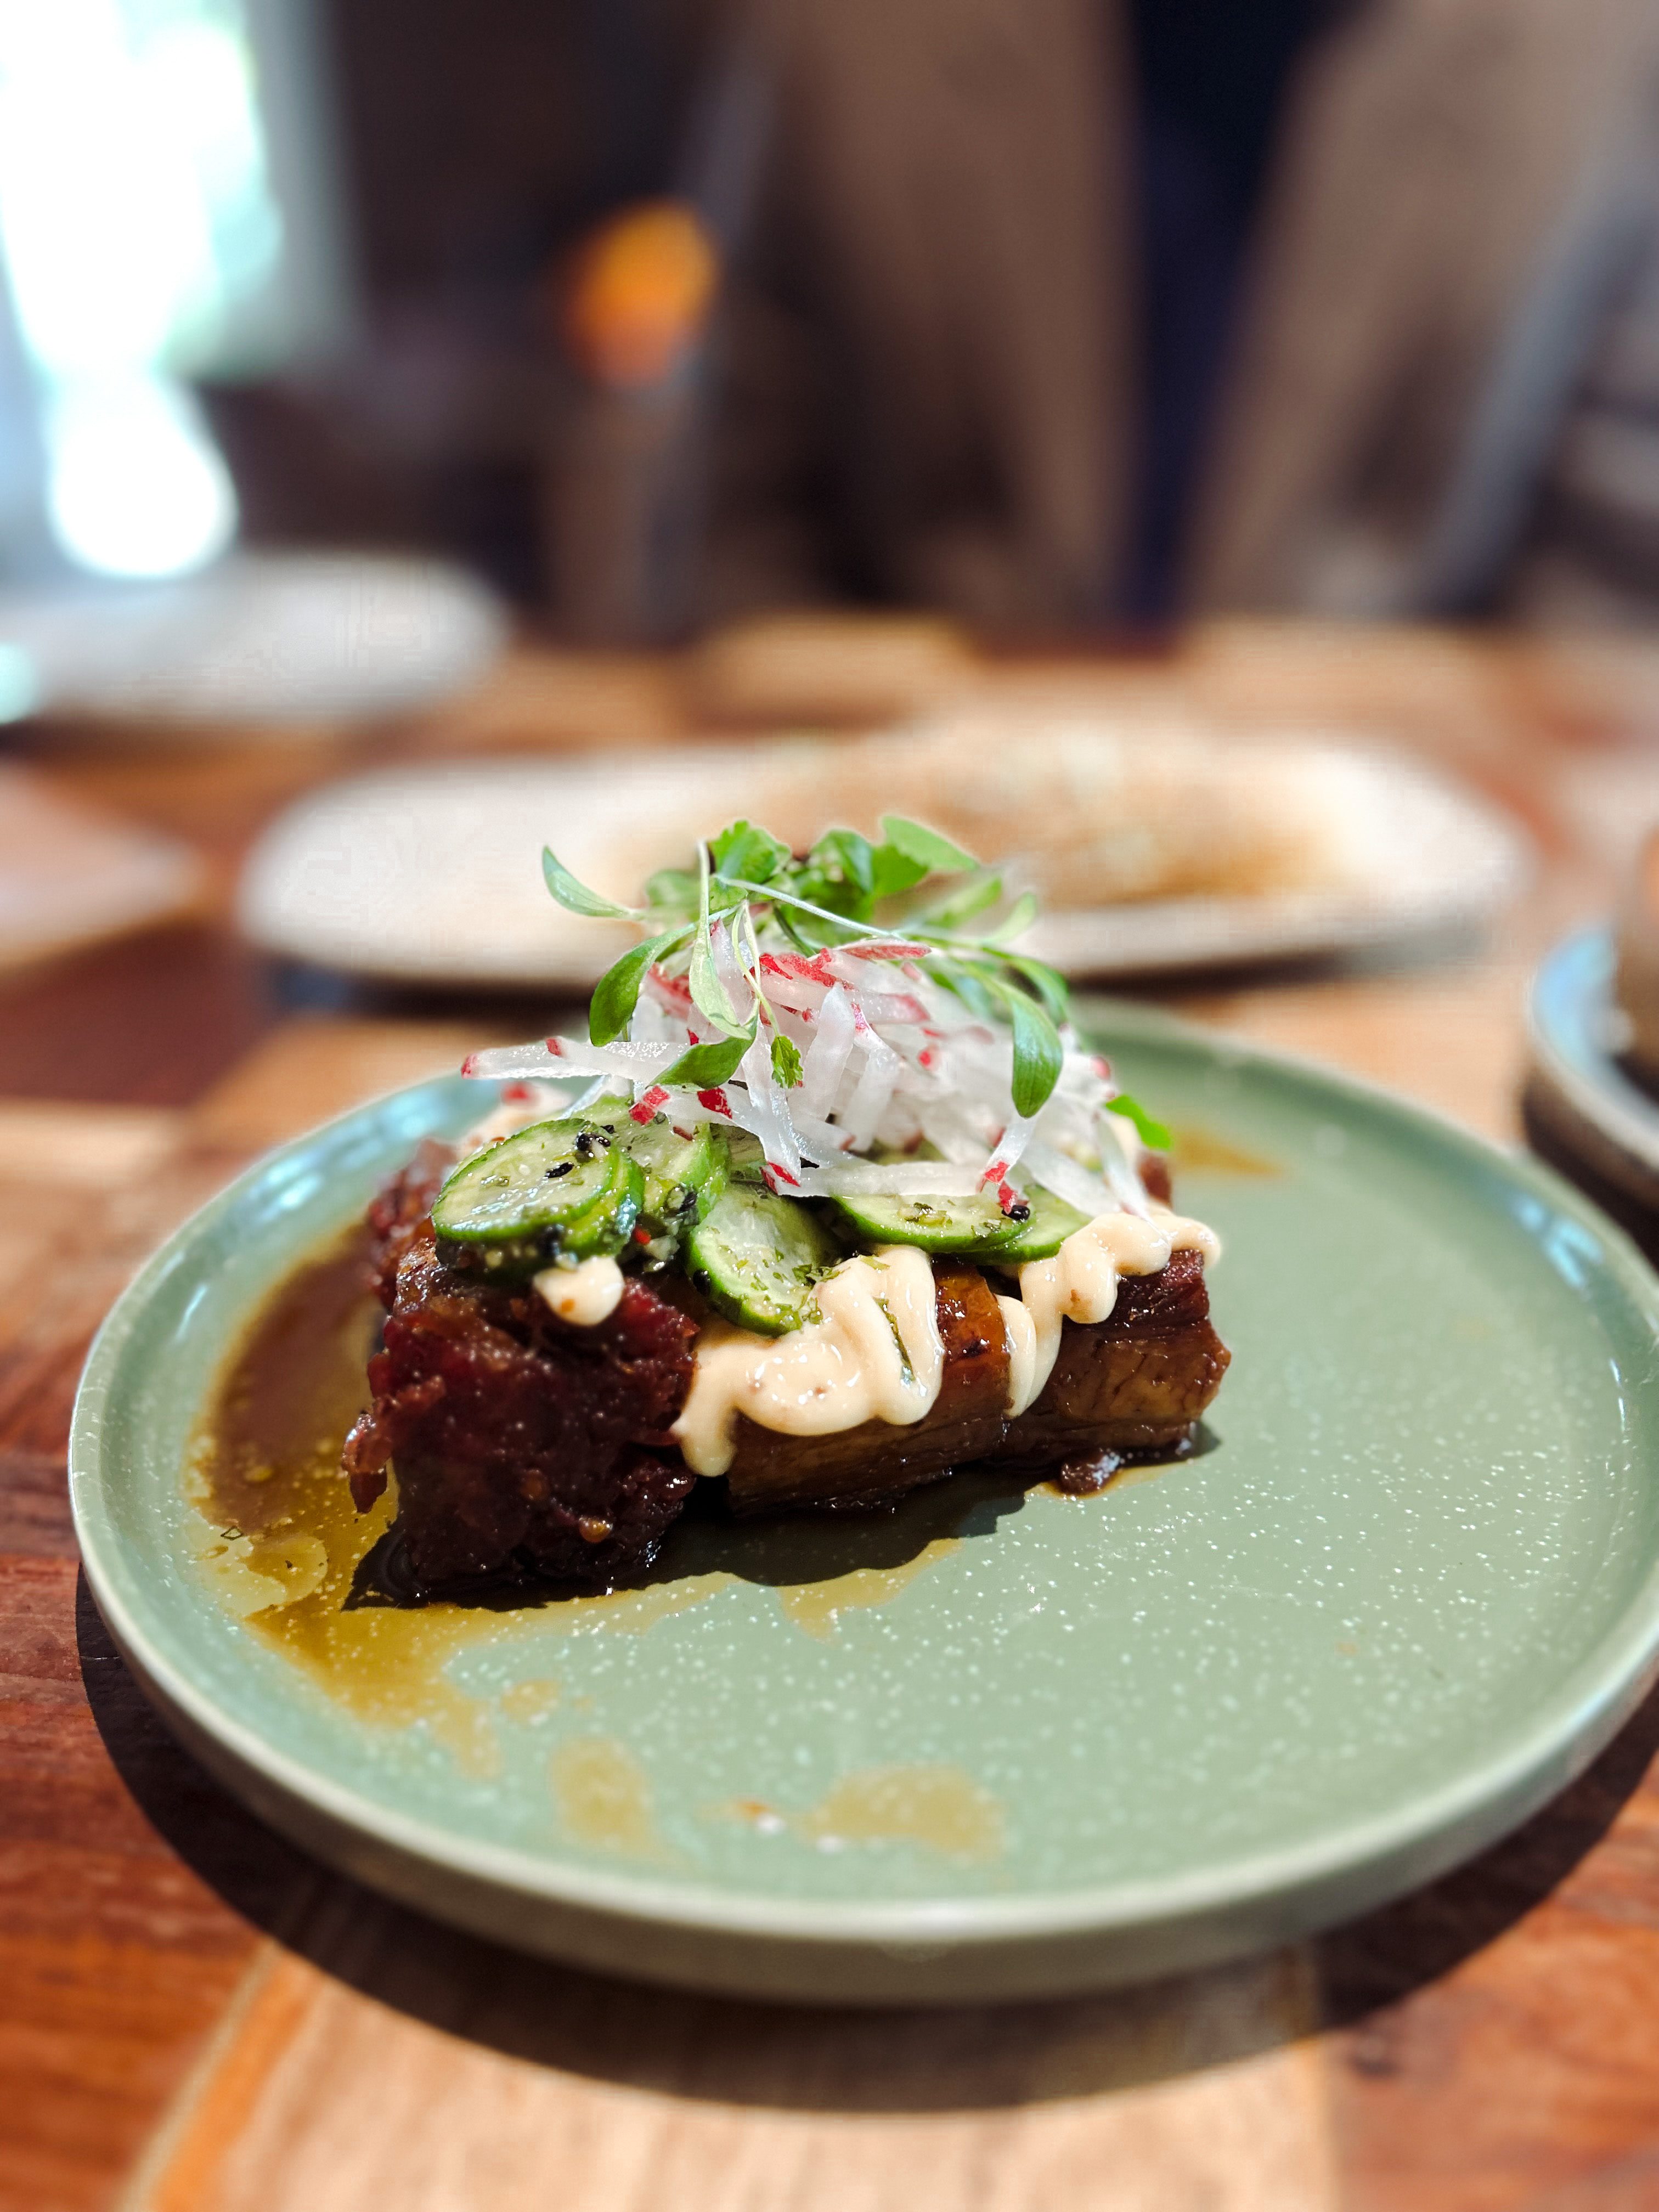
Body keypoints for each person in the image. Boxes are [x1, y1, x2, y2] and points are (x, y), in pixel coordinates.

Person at [635, 0, 1659, 631]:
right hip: (921, 864)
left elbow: (1608, 582)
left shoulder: (1599, 47)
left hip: (1415, 856)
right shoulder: (843, 30)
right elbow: (737, 543)